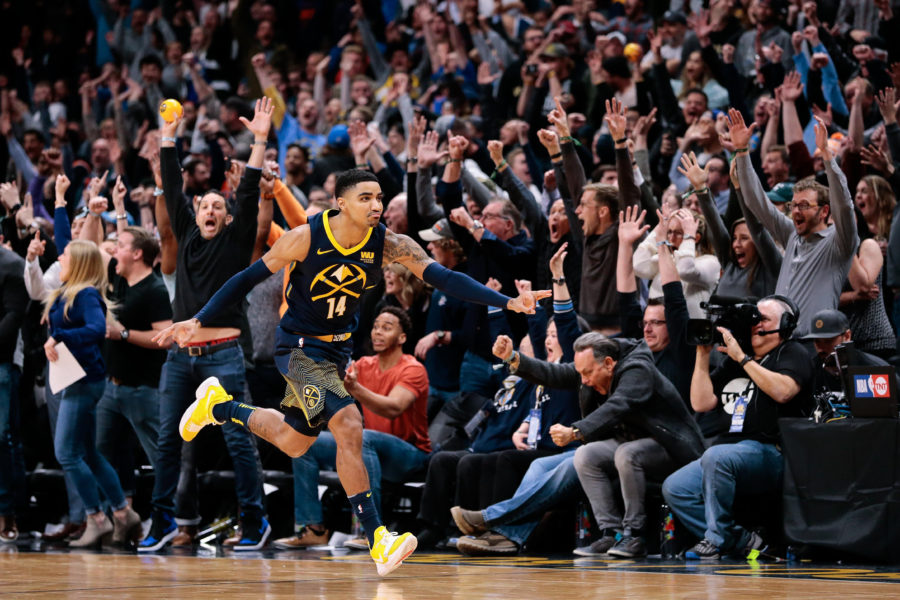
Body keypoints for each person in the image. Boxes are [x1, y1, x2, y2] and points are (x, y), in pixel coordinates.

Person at [152, 165, 548, 575]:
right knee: (348, 423)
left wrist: (507, 303)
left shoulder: (388, 244)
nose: (376, 205)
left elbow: (444, 277)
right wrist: (197, 319)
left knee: (293, 442)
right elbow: (245, 279)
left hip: (335, 353)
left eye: (379, 198)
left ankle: (219, 407)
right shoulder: (306, 237)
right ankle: (379, 537)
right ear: (341, 203)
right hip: (299, 348)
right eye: (366, 198)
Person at [138, 99, 273, 553]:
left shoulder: (236, 242)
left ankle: (255, 523)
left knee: (239, 441)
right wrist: (170, 133)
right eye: (205, 206)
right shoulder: (187, 229)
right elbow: (172, 184)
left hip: (224, 356)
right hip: (181, 358)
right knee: (166, 444)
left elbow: (250, 188)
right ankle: (159, 523)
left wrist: (258, 140)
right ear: (196, 214)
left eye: (219, 206)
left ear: (228, 217)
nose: (211, 210)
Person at [450, 333, 705, 556]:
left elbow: (618, 407)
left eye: (587, 373)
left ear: (608, 364)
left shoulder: (638, 370)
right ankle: (609, 533)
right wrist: (514, 358)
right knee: (582, 456)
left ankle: (633, 535)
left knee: (625, 453)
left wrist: (575, 431)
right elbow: (555, 373)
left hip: (671, 449)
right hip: (628, 444)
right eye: (580, 373)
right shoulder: (594, 363)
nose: (582, 380)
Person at [662, 296, 814, 559]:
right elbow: (701, 402)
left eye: (764, 319)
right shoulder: (736, 359)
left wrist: (743, 359)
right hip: (731, 451)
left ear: (786, 324)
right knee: (676, 486)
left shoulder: (792, 352)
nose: (756, 324)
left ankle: (716, 540)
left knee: (716, 456)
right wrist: (702, 355)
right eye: (754, 318)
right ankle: (743, 541)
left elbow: (784, 391)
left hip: (774, 451)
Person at [272, 307, 430, 550]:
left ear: (402, 338)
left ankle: (371, 532)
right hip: (369, 446)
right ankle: (314, 528)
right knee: (305, 442)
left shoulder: (413, 368)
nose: (377, 332)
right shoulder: (364, 365)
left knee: (363, 438)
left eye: (386, 328)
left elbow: (394, 407)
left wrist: (355, 389)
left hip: (409, 455)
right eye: (376, 326)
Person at [44, 240, 142, 547]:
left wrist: (59, 335)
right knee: (87, 453)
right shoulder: (66, 292)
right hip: (74, 379)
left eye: (65, 255)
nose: (60, 258)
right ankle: (124, 514)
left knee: (66, 453)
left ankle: (96, 518)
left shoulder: (85, 294)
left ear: (80, 263)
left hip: (83, 382)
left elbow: (96, 329)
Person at [730, 109, 859, 337]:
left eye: (804, 206)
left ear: (824, 211)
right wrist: (742, 152)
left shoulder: (839, 242)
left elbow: (845, 206)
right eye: (793, 205)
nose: (796, 211)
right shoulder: (791, 234)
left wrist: (828, 157)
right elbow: (756, 202)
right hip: (780, 342)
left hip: (814, 345)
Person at [97, 225, 172, 506]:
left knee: (159, 455)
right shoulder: (117, 281)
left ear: (137, 254)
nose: (115, 250)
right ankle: (115, 516)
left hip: (143, 389)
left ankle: (170, 518)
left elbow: (165, 337)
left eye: (121, 246)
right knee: (100, 454)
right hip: (111, 386)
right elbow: (91, 246)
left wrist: (124, 334)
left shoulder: (154, 289)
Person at [0, 243, 27, 543]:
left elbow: (13, 317)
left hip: (2, 362)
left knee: (2, 438)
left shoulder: (11, 264)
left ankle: (7, 513)